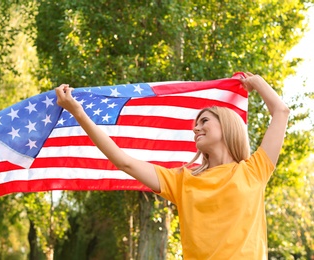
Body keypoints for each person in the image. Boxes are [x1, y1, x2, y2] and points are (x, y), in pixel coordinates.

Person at [55, 72, 290, 259]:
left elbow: (280, 111)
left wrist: (256, 82)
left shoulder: (254, 170)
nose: (196, 128)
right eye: (195, 125)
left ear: (227, 125)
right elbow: (123, 161)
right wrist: (78, 112)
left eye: (204, 121)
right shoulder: (181, 180)